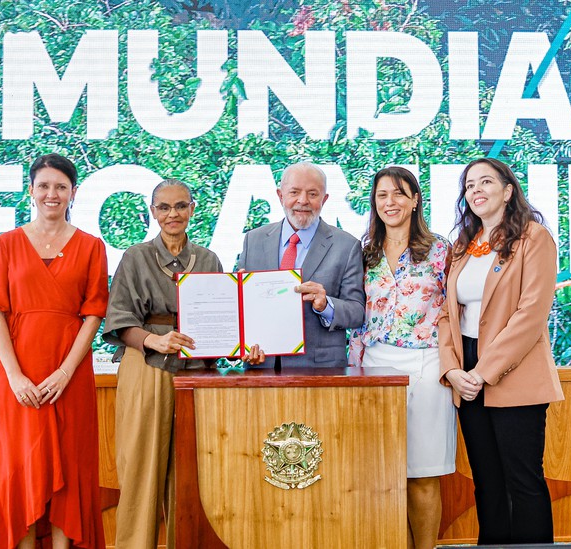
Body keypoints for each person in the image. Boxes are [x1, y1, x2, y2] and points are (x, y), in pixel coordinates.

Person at [0, 154, 108, 549]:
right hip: (16, 376)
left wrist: (66, 372)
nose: (52, 194)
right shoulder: (4, 244)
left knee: (70, 468)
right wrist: (15, 376)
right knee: (18, 470)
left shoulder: (91, 246)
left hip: (69, 375)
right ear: (31, 191)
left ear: (73, 193)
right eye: (44, 186)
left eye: (61, 187)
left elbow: (93, 314)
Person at [437, 157, 564, 545]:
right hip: (468, 374)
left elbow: (531, 314)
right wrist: (454, 370)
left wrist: (483, 372)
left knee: (522, 482)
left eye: (486, 182)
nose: (476, 190)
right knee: (487, 484)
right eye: (469, 185)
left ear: (508, 191)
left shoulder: (533, 237)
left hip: (513, 373)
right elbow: (445, 314)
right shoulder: (462, 247)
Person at [103, 179, 223, 549]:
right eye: (164, 207)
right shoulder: (135, 257)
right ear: (153, 212)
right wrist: (153, 339)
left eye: (181, 206)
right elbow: (118, 320)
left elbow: (223, 318)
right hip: (147, 367)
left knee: (194, 472)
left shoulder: (208, 259)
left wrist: (238, 345)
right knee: (141, 469)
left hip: (197, 372)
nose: (173, 214)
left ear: (192, 209)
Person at [348, 166, 455, 549]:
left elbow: (455, 309)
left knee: (423, 473)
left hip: (426, 364)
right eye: (382, 195)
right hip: (372, 365)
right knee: (382, 473)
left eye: (398, 194)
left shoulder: (441, 249)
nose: (389, 202)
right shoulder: (364, 252)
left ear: (415, 201)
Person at [238, 162, 365, 367]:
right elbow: (242, 311)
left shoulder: (347, 246)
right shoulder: (253, 240)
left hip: (320, 370)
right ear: (280, 196)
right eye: (294, 192)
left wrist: (326, 305)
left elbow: (357, 312)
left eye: (313, 194)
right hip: (261, 366)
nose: (303, 201)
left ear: (324, 199)